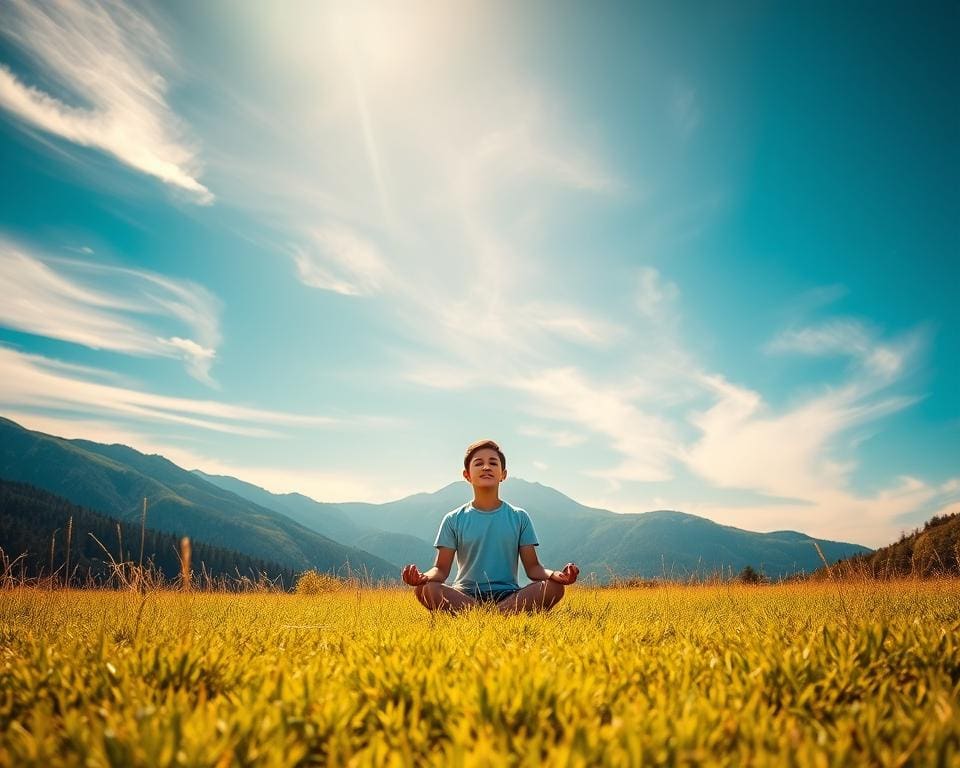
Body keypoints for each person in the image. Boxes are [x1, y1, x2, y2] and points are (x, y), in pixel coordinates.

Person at [401, 439, 580, 613]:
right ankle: (500, 614)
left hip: (509, 594)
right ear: (467, 475)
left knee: (554, 588)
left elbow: (534, 569)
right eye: (479, 463)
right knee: (425, 589)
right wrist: (422, 578)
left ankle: (484, 613)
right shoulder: (453, 519)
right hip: (464, 594)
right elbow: (441, 570)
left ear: (503, 474)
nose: (486, 467)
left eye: (493, 463)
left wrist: (556, 575)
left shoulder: (519, 517)